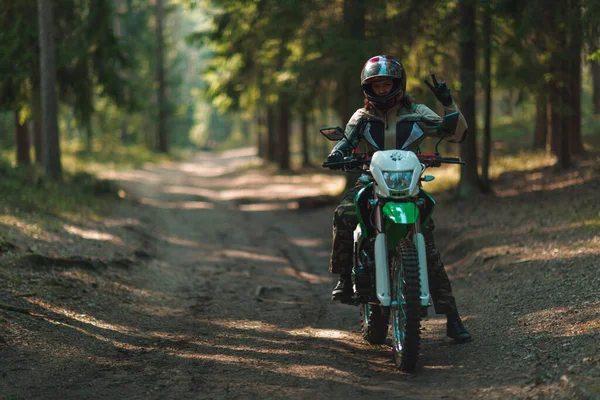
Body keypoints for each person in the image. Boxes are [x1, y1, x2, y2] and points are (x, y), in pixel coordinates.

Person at [326, 55, 472, 343]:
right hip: (371, 180)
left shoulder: (417, 112)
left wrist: (449, 104)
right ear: (368, 89)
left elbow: (457, 134)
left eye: (386, 84)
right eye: (376, 85)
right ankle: (344, 276)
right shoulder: (362, 117)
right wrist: (338, 154)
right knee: (344, 214)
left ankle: (452, 318)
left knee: (428, 248)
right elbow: (346, 141)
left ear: (398, 84)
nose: (381, 90)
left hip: (408, 186)